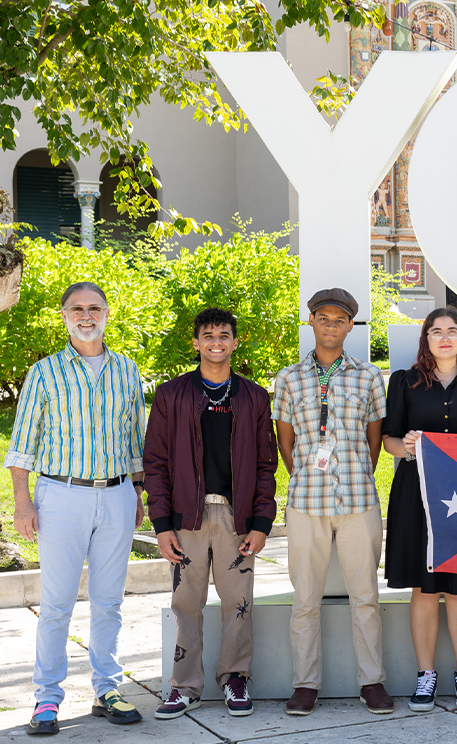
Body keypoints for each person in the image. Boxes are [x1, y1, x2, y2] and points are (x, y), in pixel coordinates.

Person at [6, 282, 147, 735]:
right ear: (64, 316)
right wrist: (22, 502)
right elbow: (22, 445)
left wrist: (139, 494)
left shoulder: (127, 370)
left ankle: (108, 687)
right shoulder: (44, 373)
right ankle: (47, 700)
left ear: (107, 312)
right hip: (61, 497)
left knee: (109, 601)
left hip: (118, 495)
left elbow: (136, 441)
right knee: (57, 604)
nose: (86, 315)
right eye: (76, 308)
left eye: (94, 307)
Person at [144, 308, 278, 719]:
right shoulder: (171, 395)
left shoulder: (254, 396)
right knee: (186, 601)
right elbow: (156, 462)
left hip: (236, 518)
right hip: (188, 517)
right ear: (196, 343)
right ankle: (184, 686)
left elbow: (265, 464)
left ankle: (234, 678)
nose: (216, 341)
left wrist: (261, 523)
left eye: (224, 335)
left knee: (239, 600)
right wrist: (162, 526)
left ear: (235, 343)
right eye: (208, 335)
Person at [272, 288, 393, 716]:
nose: (330, 325)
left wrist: (357, 470)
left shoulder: (368, 376)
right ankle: (305, 684)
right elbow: (285, 439)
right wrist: (303, 472)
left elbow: (374, 437)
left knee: (366, 596)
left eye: (339, 320)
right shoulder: (289, 378)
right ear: (311, 322)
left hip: (358, 499)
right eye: (323, 318)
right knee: (305, 598)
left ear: (350, 327)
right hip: (306, 501)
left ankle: (372, 682)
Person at [382, 308, 457, 713]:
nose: (445, 337)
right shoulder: (404, 382)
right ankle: (426, 676)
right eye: (436, 331)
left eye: (453, 331)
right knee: (424, 586)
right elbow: (389, 441)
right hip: (417, 495)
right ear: (426, 339)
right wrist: (407, 447)